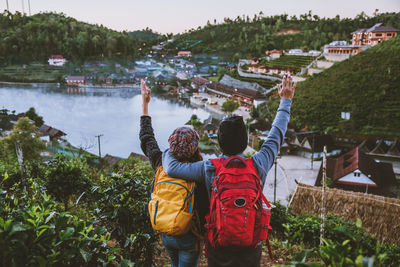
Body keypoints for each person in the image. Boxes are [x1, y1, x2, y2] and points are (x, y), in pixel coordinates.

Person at [161, 75, 296, 267]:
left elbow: (171, 167)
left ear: (220, 143)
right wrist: (286, 100)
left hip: (218, 244)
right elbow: (277, 134)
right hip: (250, 244)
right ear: (244, 141)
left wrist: (171, 148)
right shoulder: (258, 164)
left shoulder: (209, 168)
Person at [139, 80, 208, 267]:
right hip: (188, 235)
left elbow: (147, 138)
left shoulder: (161, 163)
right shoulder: (199, 173)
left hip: (164, 230)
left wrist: (145, 104)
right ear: (194, 148)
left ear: (171, 145)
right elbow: (204, 210)